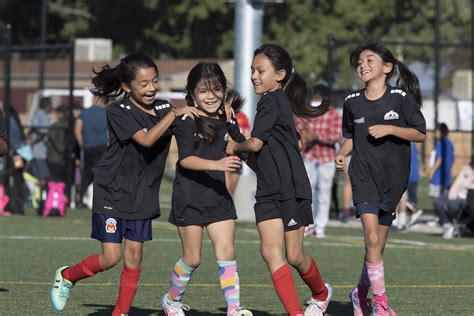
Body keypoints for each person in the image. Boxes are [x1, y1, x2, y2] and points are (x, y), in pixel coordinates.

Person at [50, 53, 199, 315]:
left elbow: (192, 126)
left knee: (133, 258)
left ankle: (120, 312)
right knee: (111, 258)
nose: (152, 87)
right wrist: (174, 115)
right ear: (127, 87)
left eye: (154, 81)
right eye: (144, 84)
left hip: (143, 195)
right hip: (113, 191)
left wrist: (218, 113)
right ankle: (68, 276)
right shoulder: (118, 110)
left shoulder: (165, 109)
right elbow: (146, 140)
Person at [226, 44, 332, 316]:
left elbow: (255, 144)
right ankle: (296, 312)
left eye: (260, 70)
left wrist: (235, 145)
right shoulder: (270, 103)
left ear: (280, 74)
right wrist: (233, 132)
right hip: (269, 189)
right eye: (252, 70)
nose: (253, 76)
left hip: (292, 187)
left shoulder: (272, 101)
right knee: (270, 252)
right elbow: (257, 154)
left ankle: (321, 293)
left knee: (295, 255)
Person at [335, 42, 426, 316]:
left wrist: (390, 129)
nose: (362, 65)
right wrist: (341, 153)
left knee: (377, 246)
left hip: (393, 180)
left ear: (387, 68)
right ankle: (381, 305)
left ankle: (359, 293)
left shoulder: (400, 98)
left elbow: (419, 132)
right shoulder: (351, 102)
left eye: (369, 60)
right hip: (363, 177)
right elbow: (350, 136)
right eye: (360, 61)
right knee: (372, 239)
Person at [161, 62, 252, 316]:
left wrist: (236, 131)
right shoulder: (186, 119)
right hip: (188, 196)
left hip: (218, 197)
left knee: (227, 253)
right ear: (191, 93)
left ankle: (233, 309)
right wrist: (218, 163)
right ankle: (172, 300)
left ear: (224, 91)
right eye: (203, 91)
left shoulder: (227, 118)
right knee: (192, 259)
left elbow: (241, 148)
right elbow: (185, 160)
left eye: (216, 90)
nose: (210, 96)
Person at [295, 84, 342, 238]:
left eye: (318, 96)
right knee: (309, 192)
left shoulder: (333, 114)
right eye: (314, 96)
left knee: (324, 192)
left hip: (326, 158)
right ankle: (309, 224)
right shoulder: (305, 112)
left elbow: (335, 136)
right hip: (308, 157)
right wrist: (304, 137)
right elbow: (298, 131)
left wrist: (317, 137)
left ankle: (321, 225)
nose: (315, 99)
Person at [74, 96, 108, 208]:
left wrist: (82, 144)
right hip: (102, 146)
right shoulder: (106, 112)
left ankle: (79, 198)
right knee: (102, 173)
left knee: (87, 173)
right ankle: (101, 200)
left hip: (88, 147)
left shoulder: (85, 113)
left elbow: (77, 130)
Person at [433, 161, 474, 239]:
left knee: (452, 205)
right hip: (457, 195)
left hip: (468, 198)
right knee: (438, 202)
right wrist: (450, 198)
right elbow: (456, 184)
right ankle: (447, 225)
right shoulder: (466, 169)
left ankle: (455, 226)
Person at [225, 89, 251, 195]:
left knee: (232, 191)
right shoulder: (223, 116)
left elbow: (246, 135)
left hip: (237, 158)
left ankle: (228, 211)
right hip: (224, 157)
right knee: (225, 189)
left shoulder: (243, 118)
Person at [28, 97, 52, 208]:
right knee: (43, 178)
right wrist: (33, 141)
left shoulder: (35, 114)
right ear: (47, 105)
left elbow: (30, 130)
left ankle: (37, 200)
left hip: (33, 151)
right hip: (40, 152)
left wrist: (30, 141)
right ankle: (42, 201)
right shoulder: (44, 116)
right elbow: (42, 133)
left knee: (38, 177)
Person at [428, 123, 454, 198]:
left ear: (440, 132)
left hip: (438, 177)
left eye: (436, 131)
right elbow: (452, 161)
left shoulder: (440, 143)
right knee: (444, 198)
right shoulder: (450, 144)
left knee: (437, 200)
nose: (435, 133)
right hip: (447, 176)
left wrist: (432, 171)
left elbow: (439, 160)